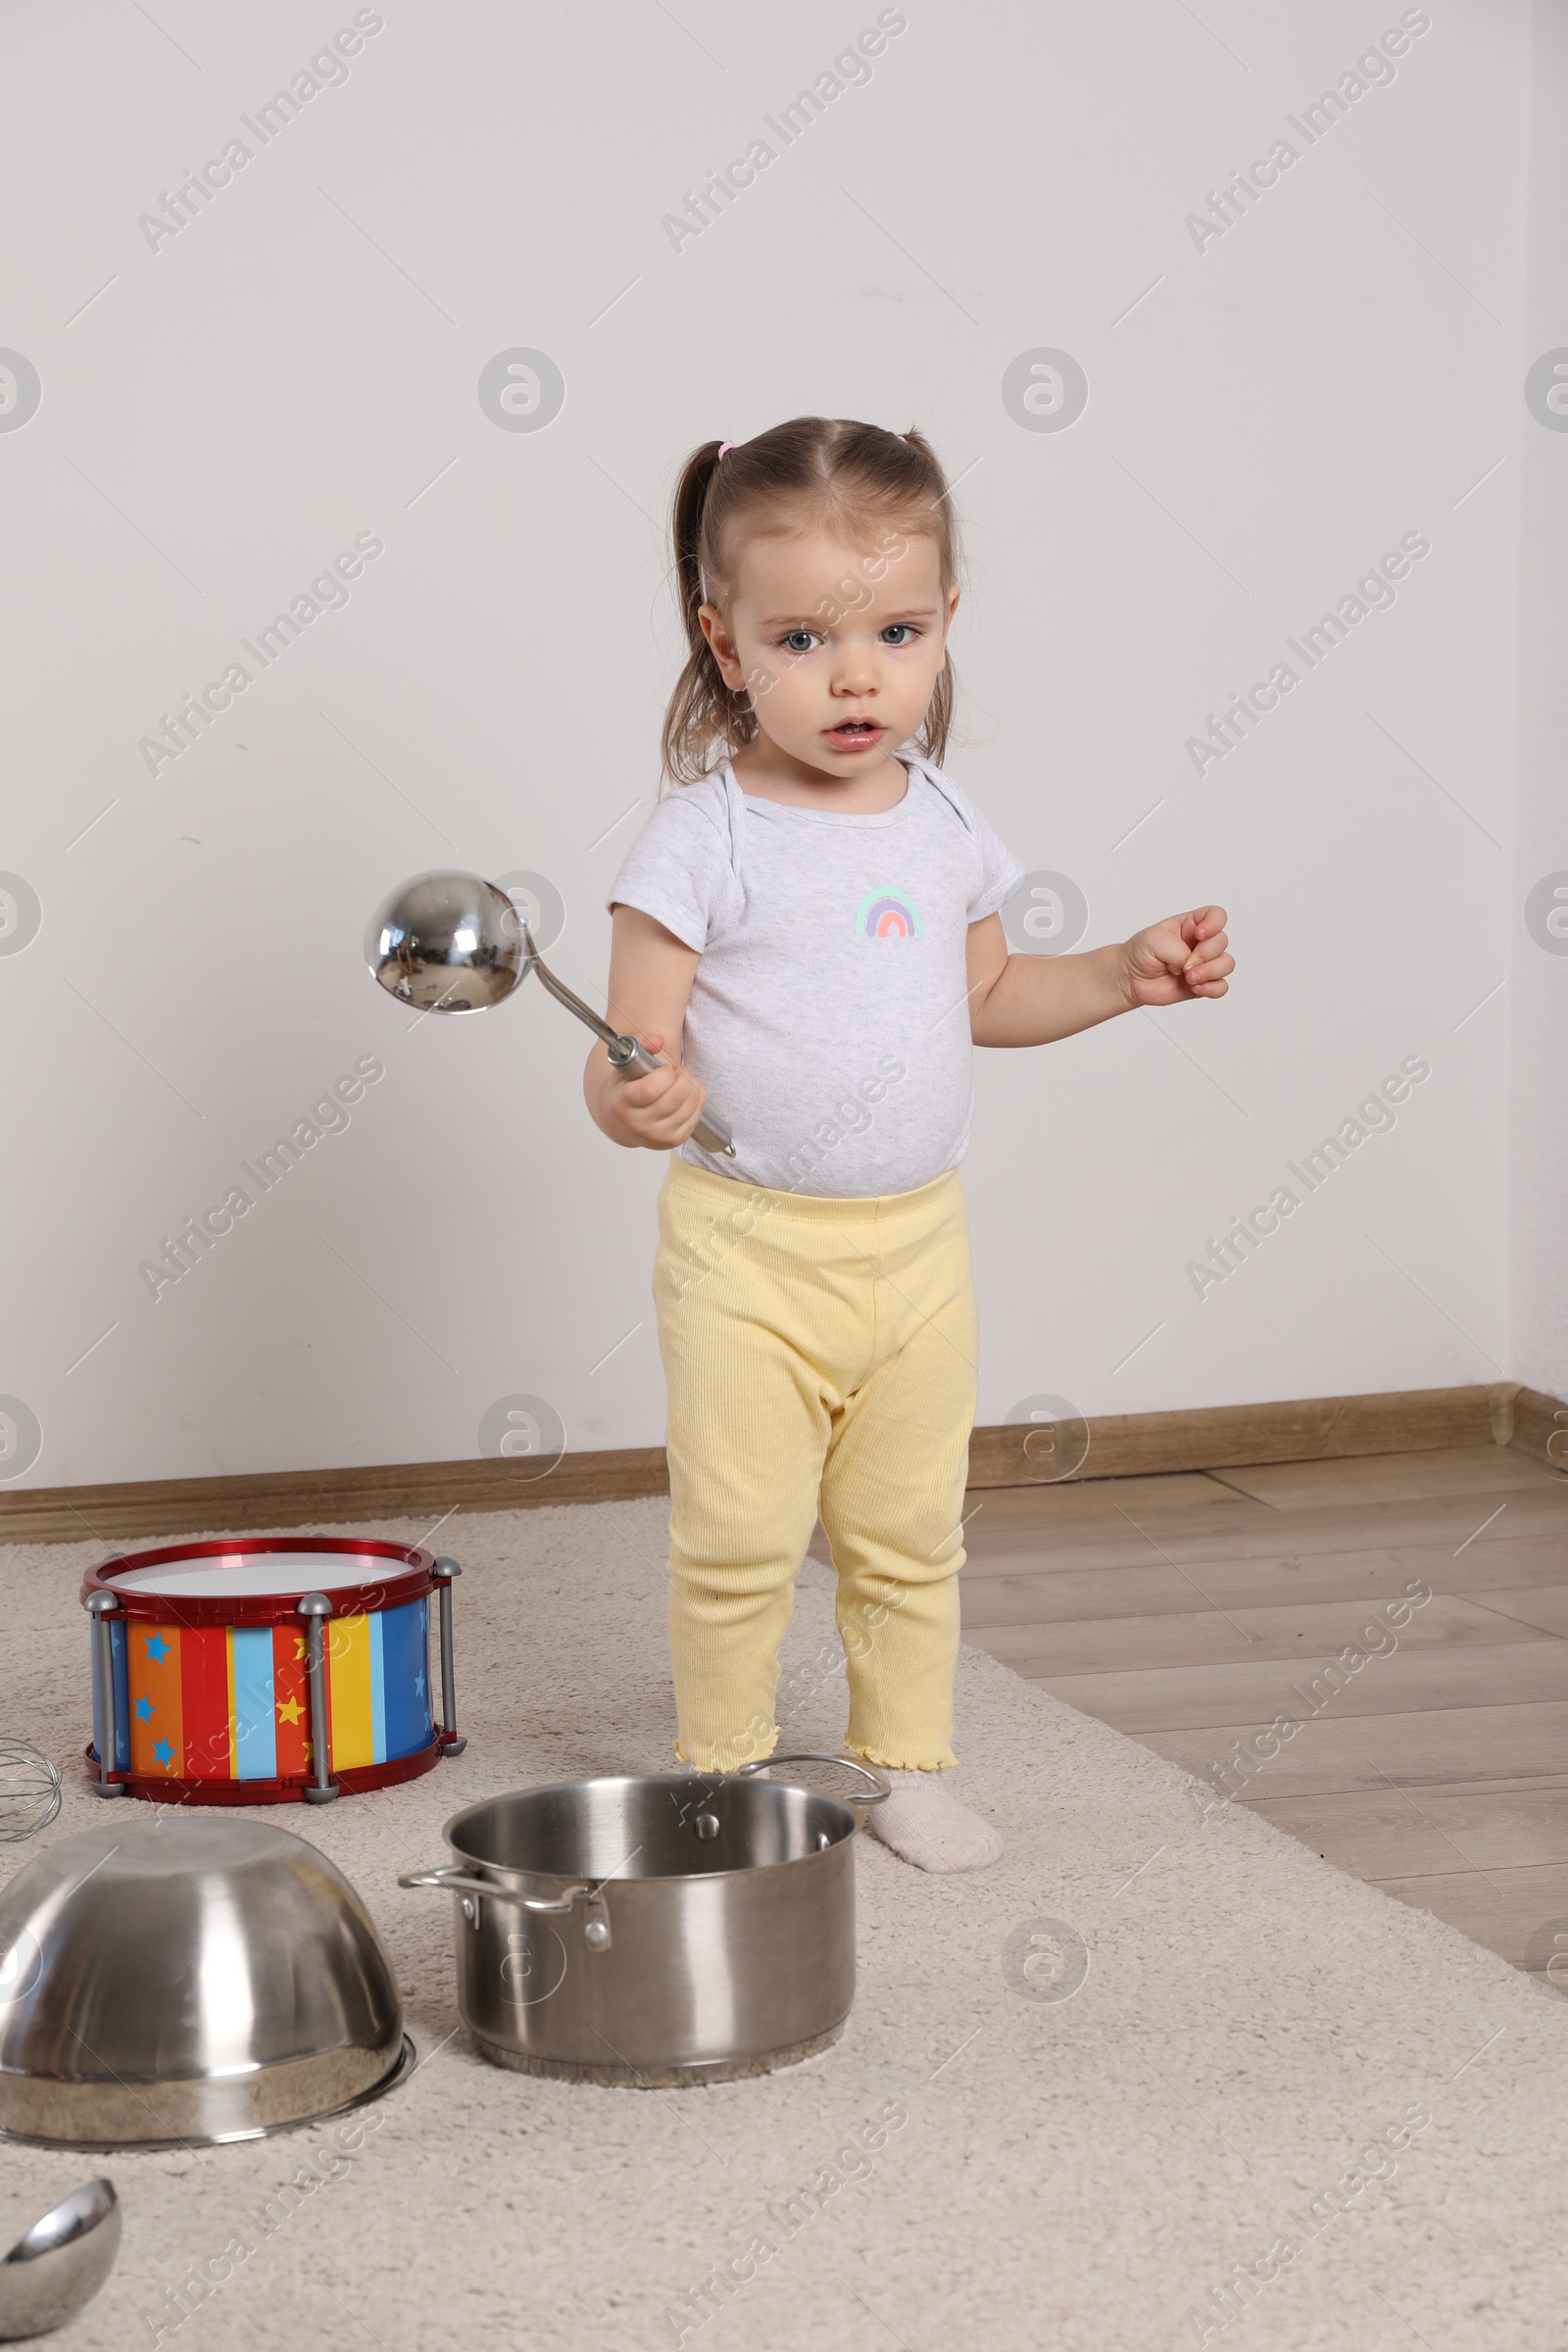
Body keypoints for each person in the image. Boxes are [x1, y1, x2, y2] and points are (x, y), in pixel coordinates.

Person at [584, 417, 1233, 1872]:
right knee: (743, 1536)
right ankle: (725, 1771)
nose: (859, 673)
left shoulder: (942, 817)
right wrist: (634, 1098)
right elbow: (631, 1052)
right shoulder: (700, 841)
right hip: (749, 1252)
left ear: (946, 627)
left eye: (897, 629)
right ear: (726, 641)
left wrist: (1123, 973)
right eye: (806, 637)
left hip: (919, 1247)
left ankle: (904, 1763)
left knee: (906, 1533)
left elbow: (991, 992)